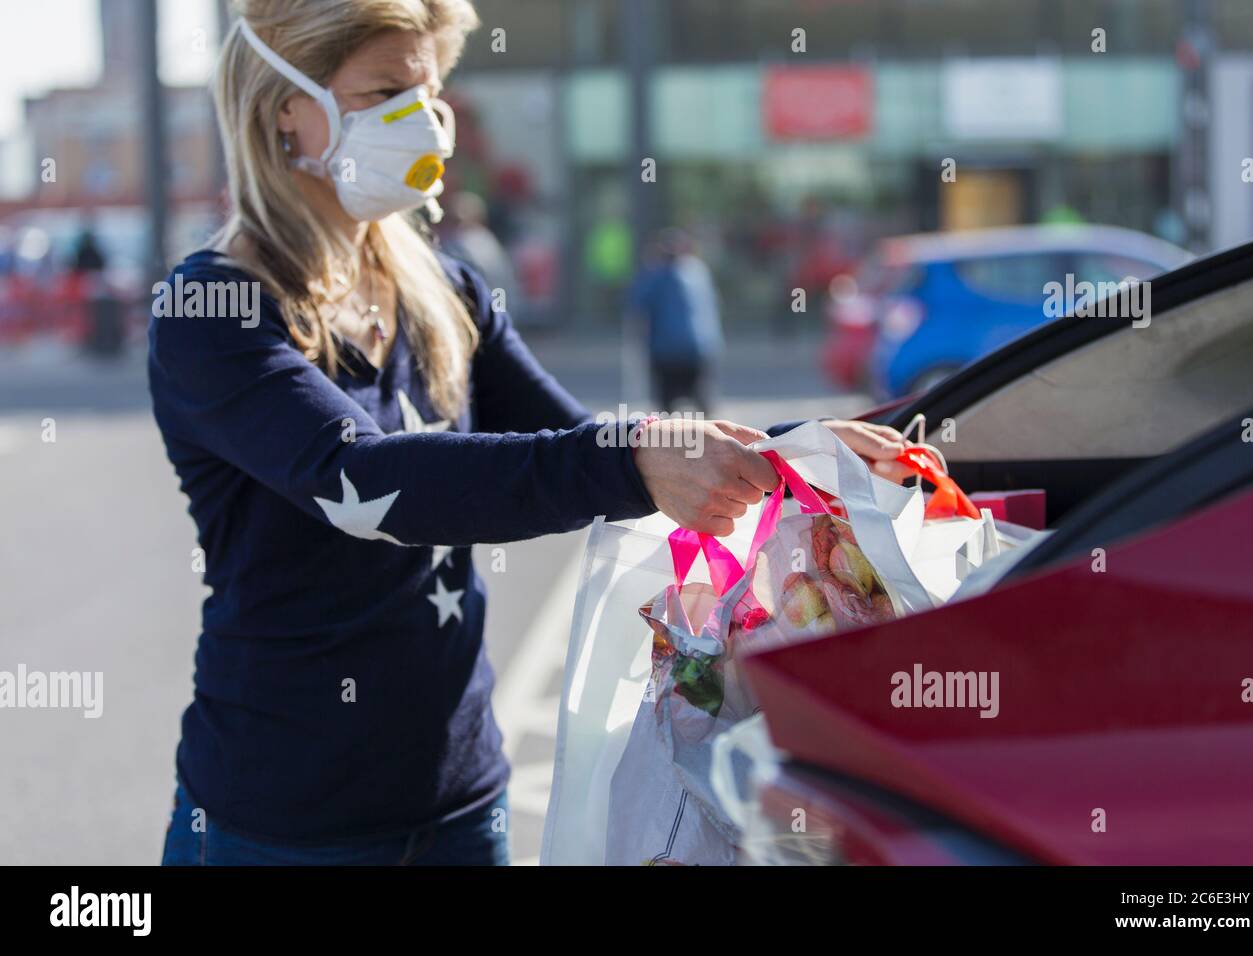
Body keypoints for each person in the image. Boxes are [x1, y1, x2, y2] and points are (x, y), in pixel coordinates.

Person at [150, 0, 909, 866]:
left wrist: (787, 452)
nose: (422, 118)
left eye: (429, 90)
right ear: (283, 105)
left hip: (460, 801)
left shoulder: (448, 291)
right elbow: (355, 481)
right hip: (274, 821)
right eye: (386, 89)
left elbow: (575, 443)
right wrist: (631, 459)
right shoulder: (213, 309)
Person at [630, 229, 724, 415]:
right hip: (700, 347)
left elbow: (636, 304)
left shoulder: (655, 275)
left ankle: (673, 441)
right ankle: (714, 439)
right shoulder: (698, 271)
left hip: (666, 350)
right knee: (702, 402)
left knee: (667, 407)